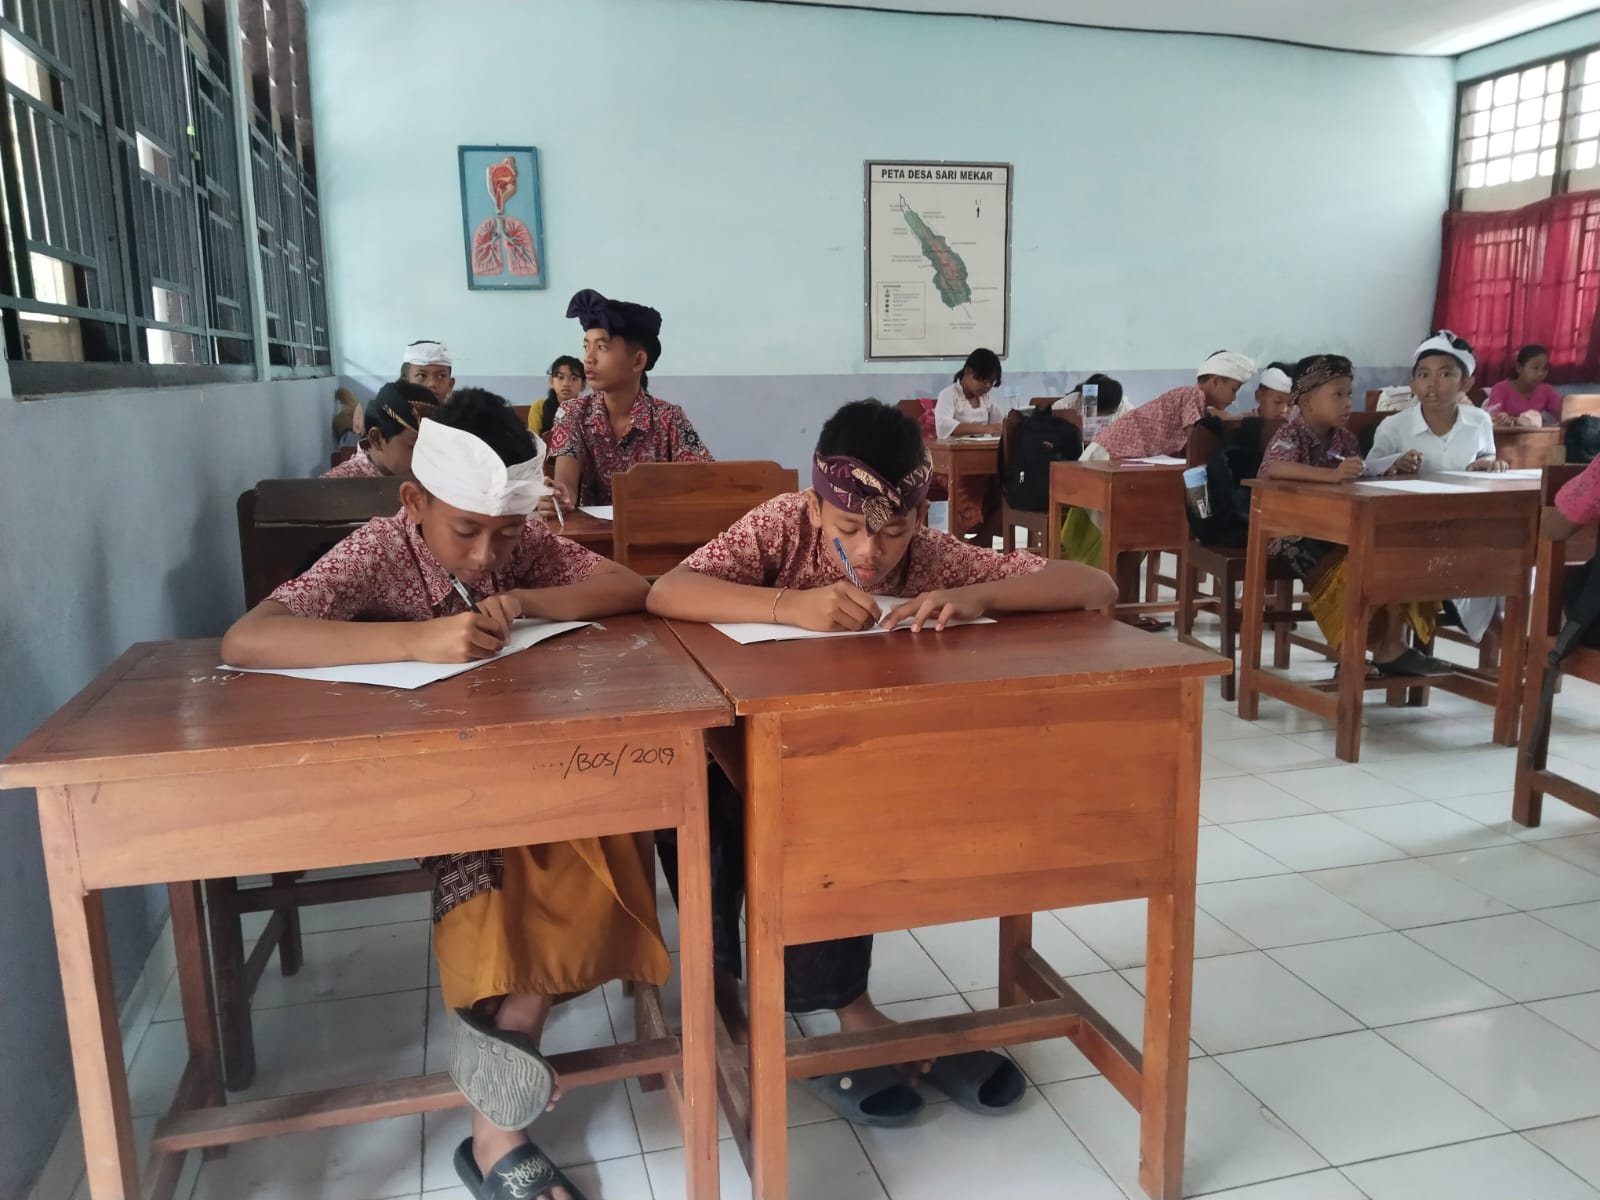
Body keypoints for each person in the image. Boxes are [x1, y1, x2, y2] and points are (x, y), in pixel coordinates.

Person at [223, 390, 656, 1200]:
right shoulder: (380, 549)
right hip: (422, 784)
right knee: (505, 851)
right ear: (414, 502)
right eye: (467, 532)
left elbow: (626, 586)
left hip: (520, 763)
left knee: (608, 806)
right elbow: (247, 638)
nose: (488, 555)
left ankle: (513, 1032)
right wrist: (415, 639)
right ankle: (499, 1113)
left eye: (507, 534)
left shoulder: (515, 547)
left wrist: (526, 600)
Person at [646, 399, 1115, 1127]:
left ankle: (841, 1007)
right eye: (849, 529)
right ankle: (737, 996)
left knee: (833, 809)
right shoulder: (782, 524)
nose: (870, 552)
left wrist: (973, 596)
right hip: (730, 748)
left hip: (834, 759)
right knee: (738, 816)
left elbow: (1095, 587)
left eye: (894, 531)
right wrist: (786, 607)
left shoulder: (929, 555)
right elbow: (667, 591)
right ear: (815, 506)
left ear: (919, 518)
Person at [1259, 355, 1447, 678]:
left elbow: (1357, 475)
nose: (1348, 402)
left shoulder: (1345, 438)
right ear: (1307, 402)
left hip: (1340, 527)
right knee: (1350, 569)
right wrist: (1331, 476)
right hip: (1292, 534)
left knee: (1392, 555)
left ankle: (1391, 645)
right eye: (1338, 394)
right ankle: (1351, 653)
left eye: (1349, 393)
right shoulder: (1291, 433)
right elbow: (1275, 467)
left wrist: (1389, 467)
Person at [545, 289, 712, 510]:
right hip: (590, 531)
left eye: (601, 347)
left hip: (653, 530)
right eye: (586, 347)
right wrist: (560, 496)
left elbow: (705, 481)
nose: (588, 358)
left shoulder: (669, 418)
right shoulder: (572, 413)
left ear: (637, 361)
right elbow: (566, 483)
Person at [1371, 332, 1505, 475]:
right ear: (1413, 385)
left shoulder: (1480, 420)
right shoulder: (1393, 426)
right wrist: (1395, 465)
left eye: (1444, 374)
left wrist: (1488, 462)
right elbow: (1370, 470)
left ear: (1466, 383)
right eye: (1424, 375)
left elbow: (1487, 455)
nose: (1432, 383)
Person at [1086, 350, 1256, 462]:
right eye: (1233, 390)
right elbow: (1195, 438)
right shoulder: (1193, 395)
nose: (1234, 398)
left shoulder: (1198, 405)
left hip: (1120, 453)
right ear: (1217, 381)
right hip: (1112, 450)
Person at [323, 381, 438, 478]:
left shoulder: (428, 478)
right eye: (416, 447)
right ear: (377, 439)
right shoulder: (334, 486)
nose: (427, 459)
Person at [1487, 344, 1564, 427]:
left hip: (1537, 435)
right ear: (1519, 368)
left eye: (1545, 368)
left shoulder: (1547, 391)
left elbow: (1563, 413)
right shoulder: (1500, 389)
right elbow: (1494, 417)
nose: (1540, 373)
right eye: (1535, 368)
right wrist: (1503, 418)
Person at [933, 348, 1003, 437]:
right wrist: (986, 429)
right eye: (984, 381)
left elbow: (998, 425)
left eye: (992, 382)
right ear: (969, 371)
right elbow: (943, 426)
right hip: (954, 446)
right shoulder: (949, 394)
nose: (987, 386)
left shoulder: (986, 399)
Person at [529, 355, 584, 439]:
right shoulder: (539, 407)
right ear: (551, 382)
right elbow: (534, 443)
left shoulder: (588, 411)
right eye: (561, 377)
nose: (566, 383)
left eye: (573, 379)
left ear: (583, 385)